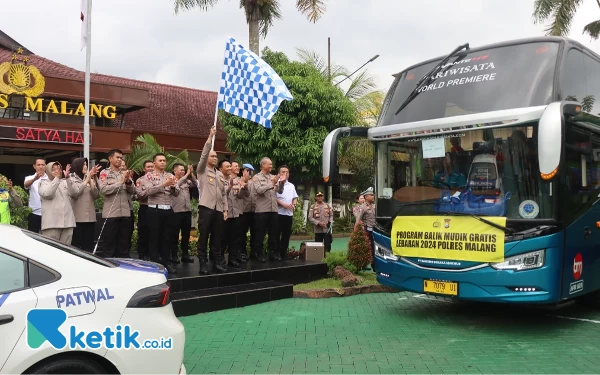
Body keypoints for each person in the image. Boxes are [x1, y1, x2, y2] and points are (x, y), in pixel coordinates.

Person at [139, 153, 179, 274]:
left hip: (168, 209)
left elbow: (177, 192)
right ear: (154, 162)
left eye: (164, 160)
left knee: (167, 237)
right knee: (154, 237)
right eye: (160, 160)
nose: (163, 162)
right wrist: (163, 185)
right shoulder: (149, 176)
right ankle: (154, 263)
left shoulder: (170, 175)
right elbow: (148, 191)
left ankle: (166, 262)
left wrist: (172, 187)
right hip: (154, 210)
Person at [196, 127, 228, 274]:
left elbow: (223, 193)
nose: (215, 158)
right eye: (212, 156)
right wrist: (210, 137)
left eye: (216, 156)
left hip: (218, 210)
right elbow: (203, 155)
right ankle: (202, 262)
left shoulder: (220, 174)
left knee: (217, 237)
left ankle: (216, 262)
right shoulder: (202, 170)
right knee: (204, 236)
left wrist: (225, 209)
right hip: (206, 208)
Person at [98, 149, 135, 258]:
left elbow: (133, 191)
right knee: (109, 244)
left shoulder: (124, 173)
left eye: (121, 158)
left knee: (124, 244)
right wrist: (121, 182)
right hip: (111, 214)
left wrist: (128, 181)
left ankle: (124, 266)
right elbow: (104, 190)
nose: (119, 160)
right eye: (117, 157)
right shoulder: (105, 173)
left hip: (125, 213)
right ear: (110, 158)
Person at [38, 162, 76, 244]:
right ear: (48, 171)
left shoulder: (65, 182)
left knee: (66, 251)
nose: (56, 171)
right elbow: (48, 194)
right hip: (52, 224)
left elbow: (75, 193)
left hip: (67, 223)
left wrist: (68, 178)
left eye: (58, 169)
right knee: (52, 251)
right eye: (53, 169)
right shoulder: (43, 183)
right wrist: (57, 179)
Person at [69, 158, 101, 252]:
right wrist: (86, 180)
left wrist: (92, 180)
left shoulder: (88, 177)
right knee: (77, 246)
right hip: (77, 218)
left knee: (88, 246)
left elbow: (96, 195)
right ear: (77, 166)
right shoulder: (71, 178)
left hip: (90, 218)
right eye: (83, 164)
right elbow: (75, 193)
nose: (86, 166)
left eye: (86, 164)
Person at [253, 157, 281, 262]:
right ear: (263, 165)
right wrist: (272, 183)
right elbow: (259, 190)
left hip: (273, 210)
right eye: (269, 164)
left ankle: (272, 253)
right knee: (260, 233)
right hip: (262, 210)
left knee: (273, 233)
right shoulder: (256, 177)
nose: (271, 166)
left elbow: (280, 191)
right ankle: (258, 253)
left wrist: (280, 183)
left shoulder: (273, 177)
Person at [223, 161, 248, 267]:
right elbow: (223, 194)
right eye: (234, 166)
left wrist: (244, 188)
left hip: (236, 212)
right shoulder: (222, 179)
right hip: (225, 212)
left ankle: (233, 259)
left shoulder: (239, 180)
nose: (237, 167)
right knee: (223, 237)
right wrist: (230, 186)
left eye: (238, 166)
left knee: (235, 237)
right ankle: (220, 259)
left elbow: (240, 196)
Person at [171, 163, 196, 264]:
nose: (183, 171)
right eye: (181, 170)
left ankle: (185, 255)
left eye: (184, 170)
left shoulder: (187, 181)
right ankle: (174, 255)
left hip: (187, 211)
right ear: (175, 171)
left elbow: (195, 184)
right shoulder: (172, 180)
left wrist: (192, 173)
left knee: (186, 235)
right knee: (174, 235)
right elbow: (177, 184)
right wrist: (186, 175)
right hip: (176, 212)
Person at [275, 165, 298, 261]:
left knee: (286, 234)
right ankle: (275, 253)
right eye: (282, 172)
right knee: (276, 234)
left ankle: (283, 253)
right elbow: (273, 198)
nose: (285, 174)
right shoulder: (275, 184)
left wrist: (294, 205)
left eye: (287, 172)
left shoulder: (291, 185)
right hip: (278, 213)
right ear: (279, 173)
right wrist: (283, 205)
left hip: (289, 214)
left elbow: (295, 197)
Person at [135, 160, 154, 260]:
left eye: (152, 166)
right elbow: (140, 195)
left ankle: (153, 254)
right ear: (144, 169)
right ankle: (143, 255)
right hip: (145, 208)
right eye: (148, 167)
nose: (150, 169)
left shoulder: (158, 179)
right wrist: (153, 190)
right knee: (143, 232)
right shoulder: (140, 180)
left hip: (155, 207)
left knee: (154, 232)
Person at [24, 157, 48, 233]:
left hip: (47, 213)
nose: (41, 167)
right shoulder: (29, 178)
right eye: (38, 165)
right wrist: (34, 179)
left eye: (43, 165)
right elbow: (26, 185)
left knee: (47, 237)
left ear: (45, 166)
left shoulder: (50, 178)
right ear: (34, 166)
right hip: (34, 213)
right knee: (33, 236)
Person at [355, 187, 376, 271]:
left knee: (374, 249)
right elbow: (358, 219)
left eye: (373, 195)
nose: (373, 196)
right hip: (367, 231)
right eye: (371, 195)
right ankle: (364, 265)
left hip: (375, 230)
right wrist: (356, 231)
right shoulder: (363, 207)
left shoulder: (374, 206)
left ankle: (374, 266)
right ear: (366, 197)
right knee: (368, 248)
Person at [238, 163, 254, 262]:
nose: (248, 173)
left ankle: (252, 253)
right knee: (241, 234)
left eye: (250, 171)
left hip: (253, 211)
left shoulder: (253, 182)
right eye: (246, 171)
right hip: (243, 211)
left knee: (254, 233)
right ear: (243, 171)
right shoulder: (238, 181)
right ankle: (241, 252)